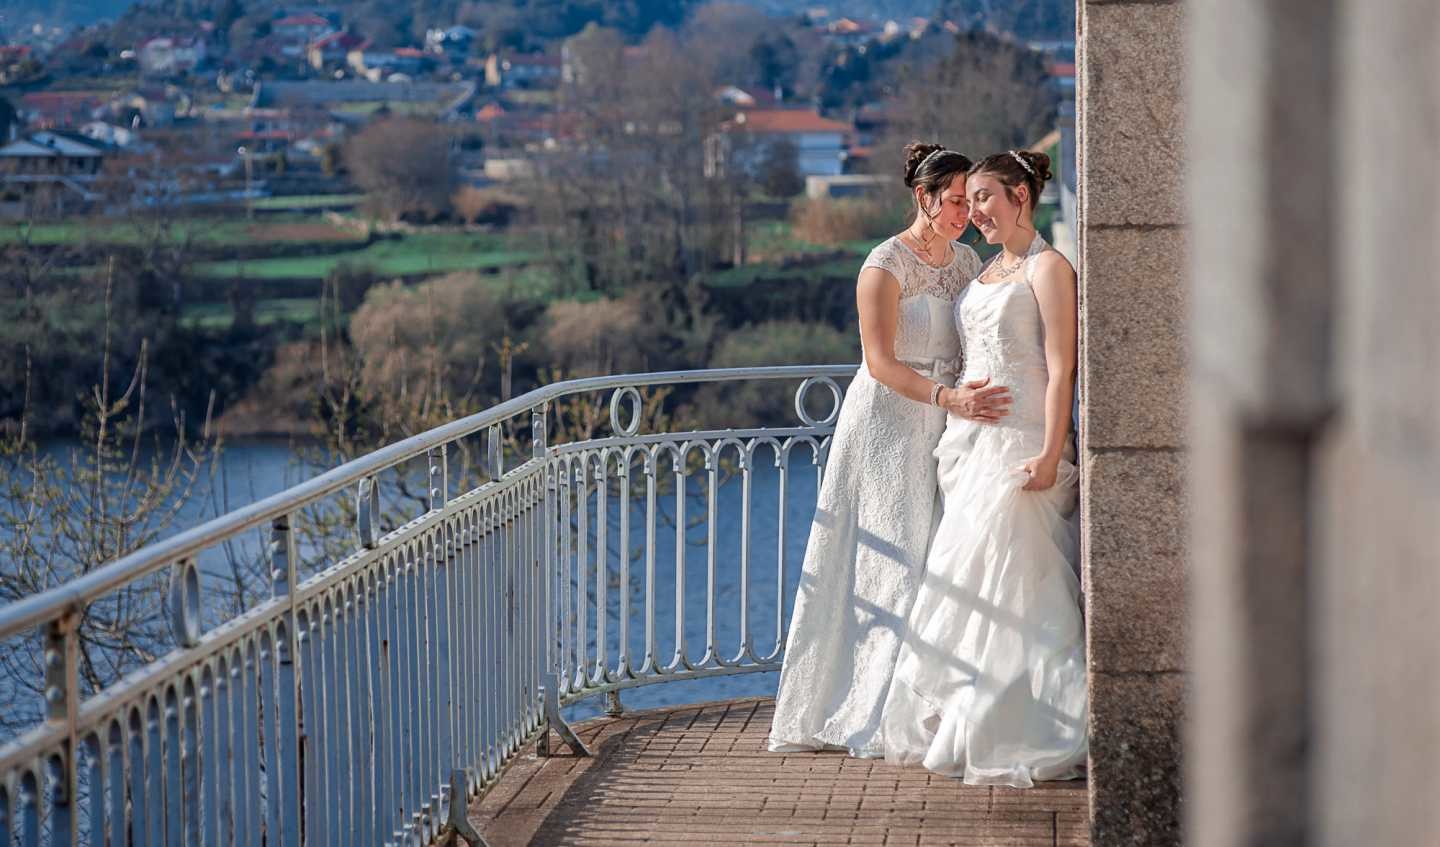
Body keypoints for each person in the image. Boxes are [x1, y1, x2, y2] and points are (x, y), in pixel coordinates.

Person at [768, 142, 1011, 756]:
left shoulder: (964, 261)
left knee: (939, 555)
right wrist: (947, 397)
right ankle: (872, 709)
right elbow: (878, 363)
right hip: (889, 420)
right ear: (923, 198)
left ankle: (930, 703)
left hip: (950, 423)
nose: (964, 213)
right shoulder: (883, 265)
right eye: (954, 201)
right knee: (894, 556)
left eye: (968, 201)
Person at [880, 149, 1088, 786]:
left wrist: (1051, 453)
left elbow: (1062, 369)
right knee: (969, 582)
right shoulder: (993, 269)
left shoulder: (1050, 269)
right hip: (969, 445)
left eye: (986, 199)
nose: (974, 212)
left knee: (1023, 581)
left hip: (1021, 446)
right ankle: (975, 716)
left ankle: (1037, 721)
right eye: (969, 201)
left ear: (1021, 195)